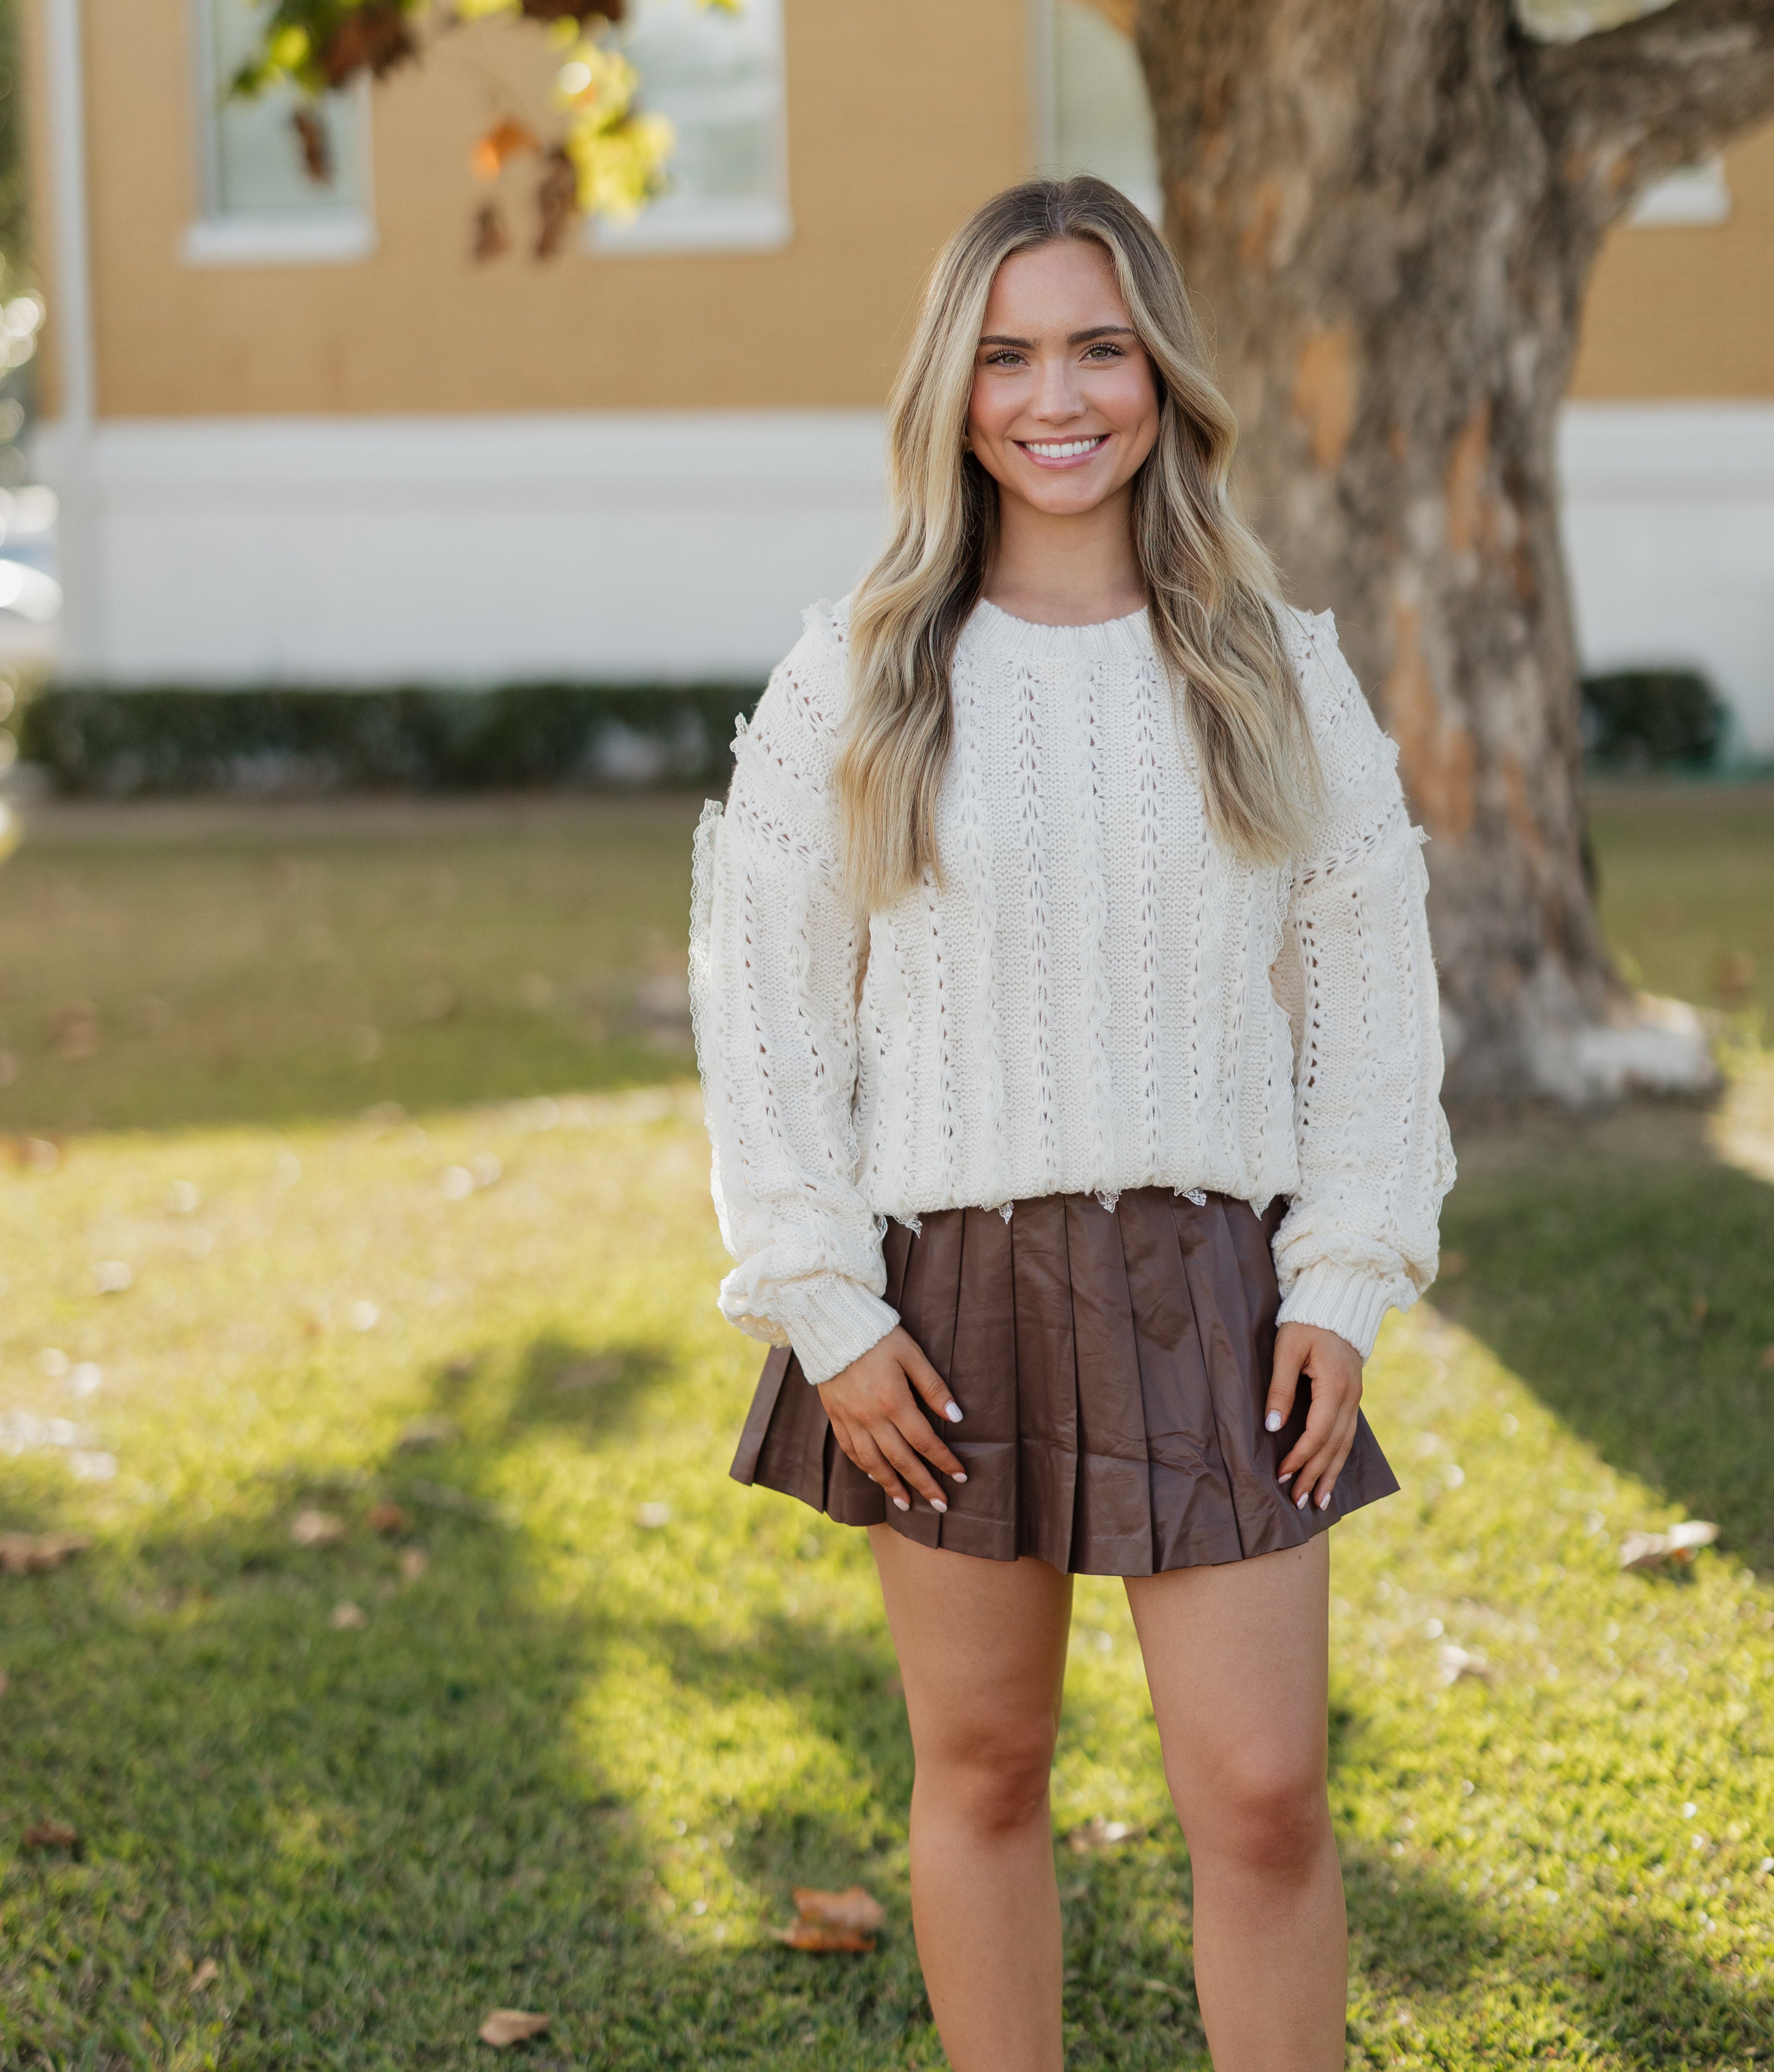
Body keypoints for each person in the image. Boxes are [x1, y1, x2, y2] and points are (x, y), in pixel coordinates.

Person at [690, 176, 1454, 2072]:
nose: (1058, 395)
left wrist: (1343, 1277)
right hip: (939, 1303)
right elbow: (763, 1002)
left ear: (1161, 379)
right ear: (955, 390)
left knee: (1266, 1793)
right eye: (1011, 353)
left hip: (1218, 1286)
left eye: (1100, 347)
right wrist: (828, 1307)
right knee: (987, 1767)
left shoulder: (1275, 671)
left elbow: (1370, 1003)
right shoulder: (860, 675)